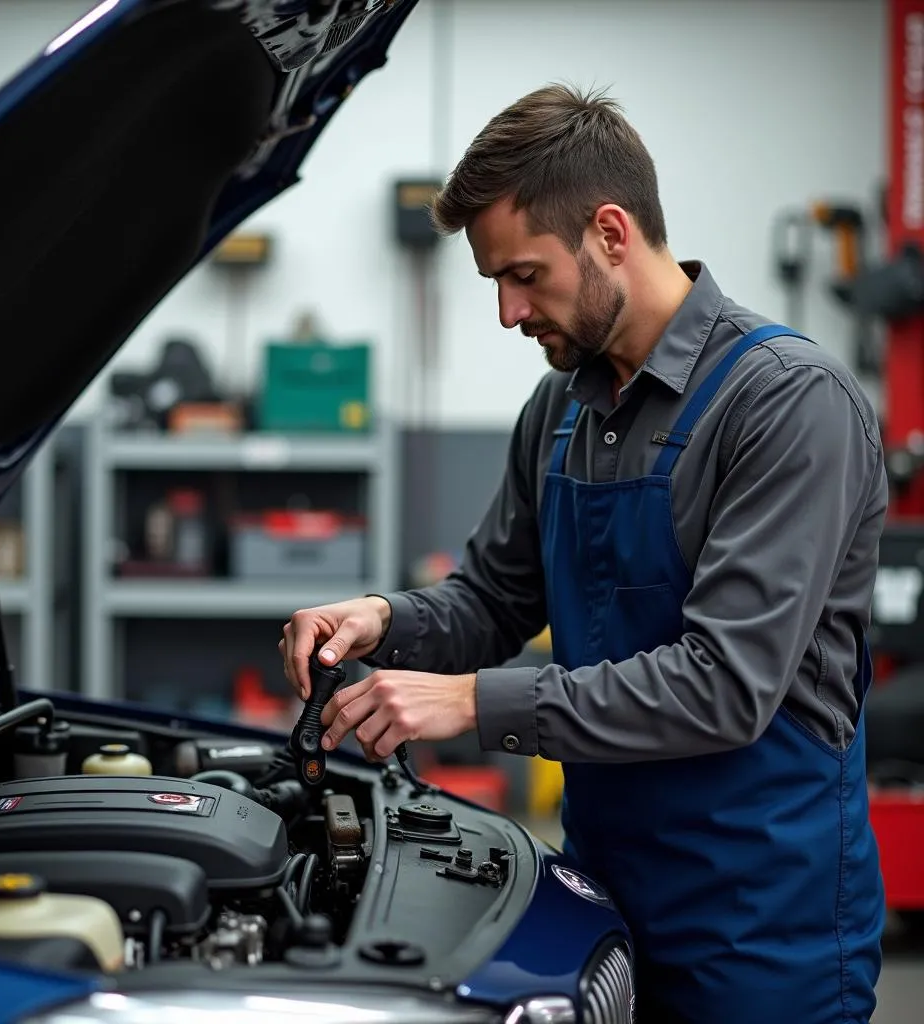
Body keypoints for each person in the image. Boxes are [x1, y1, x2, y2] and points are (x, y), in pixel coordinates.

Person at [278, 84, 887, 1023]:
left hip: (760, 929)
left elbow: (724, 683)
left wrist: (475, 702)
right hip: (597, 904)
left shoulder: (788, 405)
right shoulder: (561, 409)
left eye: (524, 275)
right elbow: (493, 598)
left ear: (610, 231)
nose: (509, 313)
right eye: (493, 283)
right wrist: (385, 621)